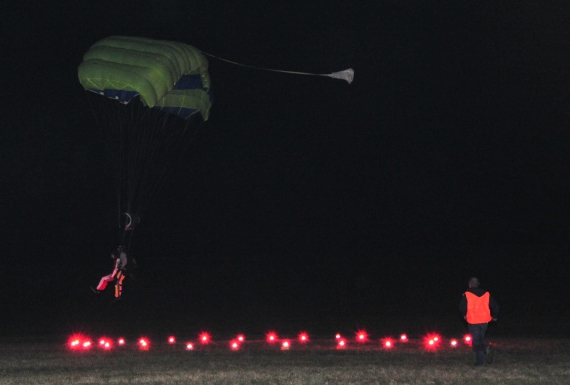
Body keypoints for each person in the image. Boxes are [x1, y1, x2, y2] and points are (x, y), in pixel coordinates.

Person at [459, 277, 499, 366]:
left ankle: (486, 348)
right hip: (484, 321)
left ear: (469, 284)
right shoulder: (487, 294)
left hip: (473, 321)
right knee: (479, 340)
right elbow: (495, 306)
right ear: (478, 284)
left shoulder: (467, 294)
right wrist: (495, 317)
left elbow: (461, 308)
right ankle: (479, 361)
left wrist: (464, 315)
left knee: (476, 343)